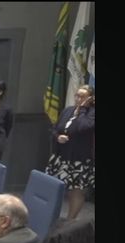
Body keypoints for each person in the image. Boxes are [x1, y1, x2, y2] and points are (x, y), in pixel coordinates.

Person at [46, 84, 95, 220]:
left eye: (82, 97)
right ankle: (50, 216)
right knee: (53, 187)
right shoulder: (68, 110)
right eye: (77, 95)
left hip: (79, 160)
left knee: (76, 192)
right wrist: (58, 137)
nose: (78, 99)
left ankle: (70, 221)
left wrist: (84, 108)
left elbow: (82, 127)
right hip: (60, 157)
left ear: (90, 98)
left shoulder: (91, 114)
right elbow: (55, 129)